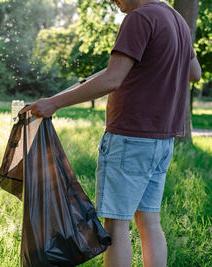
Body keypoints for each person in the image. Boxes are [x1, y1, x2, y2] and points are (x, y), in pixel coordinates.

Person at [20, 0, 201, 266]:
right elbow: (194, 73)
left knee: (116, 226)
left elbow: (112, 79)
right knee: (149, 221)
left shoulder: (139, 18)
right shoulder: (175, 19)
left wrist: (54, 102)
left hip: (130, 137)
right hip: (162, 141)